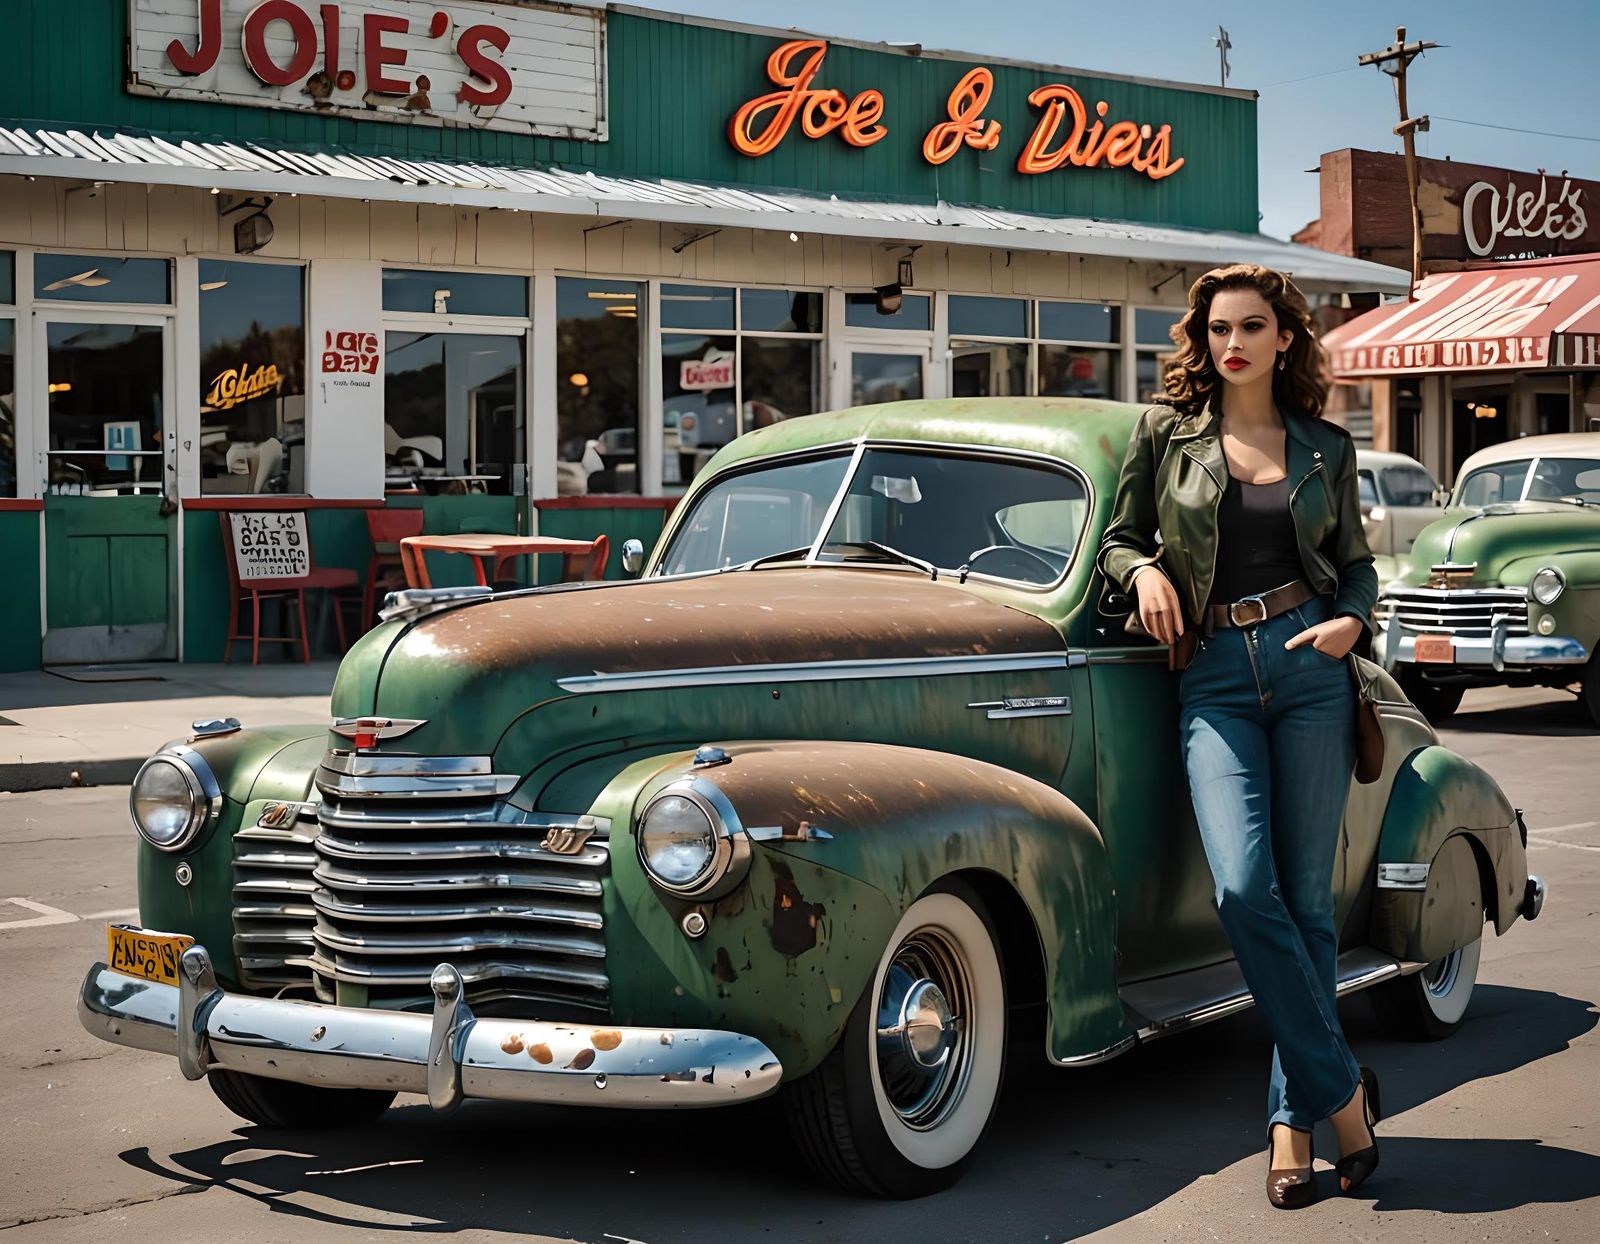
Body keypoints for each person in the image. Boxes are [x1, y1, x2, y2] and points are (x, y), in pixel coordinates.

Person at [1097, 264, 1382, 1209]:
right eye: (1220, 328)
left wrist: (1352, 623)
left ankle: (1290, 1127)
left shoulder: (1324, 448)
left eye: (1253, 327)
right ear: (1203, 338)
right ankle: (1344, 1096)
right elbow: (1121, 537)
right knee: (1240, 885)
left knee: (1305, 906)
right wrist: (1141, 573)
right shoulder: (1164, 435)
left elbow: (1356, 569)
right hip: (1213, 674)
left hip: (1311, 667)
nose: (1234, 343)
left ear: (1284, 339)